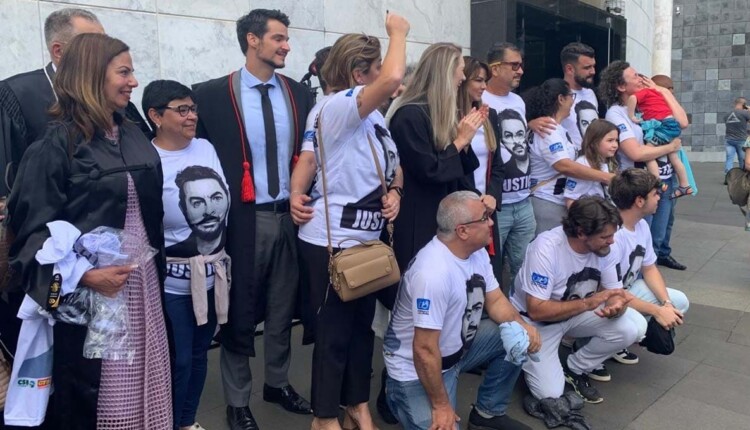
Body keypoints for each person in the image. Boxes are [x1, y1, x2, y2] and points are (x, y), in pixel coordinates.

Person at [7, 33, 171, 429]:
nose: (133, 81)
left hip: (144, 291)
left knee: (152, 394)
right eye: (124, 71)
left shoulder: (132, 132)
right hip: (93, 307)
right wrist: (83, 277)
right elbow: (27, 242)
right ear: (92, 75)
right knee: (106, 404)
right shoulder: (55, 145)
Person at [0, 6, 150, 372]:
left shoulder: (127, 124)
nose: (132, 82)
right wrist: (75, 274)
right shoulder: (21, 99)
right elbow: (24, 212)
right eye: (123, 71)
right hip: (80, 290)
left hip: (140, 283)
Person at [191, 9, 315, 430]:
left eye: (286, 38)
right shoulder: (210, 96)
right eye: (278, 38)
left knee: (283, 307)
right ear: (252, 40)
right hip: (243, 221)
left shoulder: (299, 95)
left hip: (291, 217)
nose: (286, 46)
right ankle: (237, 400)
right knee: (237, 310)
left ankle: (277, 383)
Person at [290, 14, 408, 430]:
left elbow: (392, 167)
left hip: (367, 239)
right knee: (333, 335)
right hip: (332, 241)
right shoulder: (339, 107)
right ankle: (324, 417)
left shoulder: (370, 117)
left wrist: (394, 192)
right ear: (360, 74)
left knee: (361, 332)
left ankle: (356, 404)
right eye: (374, 71)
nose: (383, 79)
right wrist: (399, 33)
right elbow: (394, 78)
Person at [384, 191, 537, 430]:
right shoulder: (432, 274)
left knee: (516, 334)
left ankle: (487, 414)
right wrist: (441, 405)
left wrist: (523, 327)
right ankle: (400, 399)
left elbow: (496, 301)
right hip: (416, 371)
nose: (491, 222)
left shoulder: (476, 253)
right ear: (462, 231)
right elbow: (424, 350)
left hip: (455, 354)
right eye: (484, 218)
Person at [143, 79, 230, 430]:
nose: (192, 116)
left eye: (193, 108)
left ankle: (187, 422)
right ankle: (167, 422)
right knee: (175, 362)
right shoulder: (148, 159)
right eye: (182, 109)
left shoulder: (205, 148)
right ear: (155, 116)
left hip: (213, 279)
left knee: (198, 356)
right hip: (171, 286)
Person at [510, 196, 636, 405]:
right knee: (549, 394)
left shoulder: (606, 248)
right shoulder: (546, 248)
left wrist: (616, 307)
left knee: (629, 329)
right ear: (581, 233)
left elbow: (615, 292)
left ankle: (575, 367)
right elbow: (536, 310)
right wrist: (589, 303)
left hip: (574, 314)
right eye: (605, 236)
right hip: (536, 323)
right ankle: (523, 361)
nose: (612, 241)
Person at [386, 43, 495, 281]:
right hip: (418, 219)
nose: (463, 77)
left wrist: (463, 143)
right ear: (445, 72)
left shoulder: (437, 111)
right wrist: (460, 140)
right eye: (461, 69)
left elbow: (458, 170)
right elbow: (430, 170)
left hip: (441, 218)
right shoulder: (410, 115)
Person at [595, 168, 689, 376]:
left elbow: (650, 269)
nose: (659, 198)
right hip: (602, 301)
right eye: (655, 194)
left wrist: (666, 304)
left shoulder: (641, 227)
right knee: (637, 327)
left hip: (624, 292)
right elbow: (610, 293)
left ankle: (616, 341)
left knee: (679, 302)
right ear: (639, 201)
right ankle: (585, 354)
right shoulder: (613, 236)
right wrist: (657, 311)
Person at [600, 62, 686, 272]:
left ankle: (649, 284)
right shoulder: (617, 113)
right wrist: (671, 146)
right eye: (635, 76)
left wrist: (663, 91)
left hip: (664, 179)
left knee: (656, 239)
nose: (641, 78)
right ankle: (635, 285)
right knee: (638, 242)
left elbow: (682, 122)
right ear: (621, 86)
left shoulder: (650, 99)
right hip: (639, 186)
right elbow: (635, 153)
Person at [523, 78, 613, 235]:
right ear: (561, 99)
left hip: (555, 201)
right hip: (547, 202)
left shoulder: (557, 128)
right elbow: (563, 165)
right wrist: (606, 177)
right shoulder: (549, 130)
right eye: (572, 96)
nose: (573, 101)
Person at [482, 42, 536, 290]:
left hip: (524, 201)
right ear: (495, 69)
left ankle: (520, 316)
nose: (521, 70)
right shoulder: (479, 99)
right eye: (514, 65)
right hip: (496, 205)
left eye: (521, 65)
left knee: (522, 266)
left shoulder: (518, 101)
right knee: (491, 268)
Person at [458, 55, 505, 278]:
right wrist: (477, 198)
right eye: (478, 80)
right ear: (462, 80)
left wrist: (493, 197)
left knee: (489, 274)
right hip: (460, 208)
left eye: (485, 80)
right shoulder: (447, 117)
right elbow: (452, 164)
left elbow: (497, 165)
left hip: (487, 208)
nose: (484, 86)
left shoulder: (489, 115)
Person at [626, 80, 692, 199]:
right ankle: (685, 185)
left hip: (663, 126)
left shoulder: (645, 91)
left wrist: (631, 115)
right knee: (674, 157)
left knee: (647, 153)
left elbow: (632, 98)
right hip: (671, 125)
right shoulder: (659, 94)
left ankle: (658, 184)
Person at [563, 119, 619, 207]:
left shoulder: (609, 162)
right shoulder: (584, 163)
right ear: (594, 142)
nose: (615, 145)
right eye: (610, 140)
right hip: (589, 216)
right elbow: (571, 198)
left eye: (616, 140)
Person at [559, 42, 600, 151]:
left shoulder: (590, 93)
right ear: (569, 69)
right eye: (587, 68)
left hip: (594, 159)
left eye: (593, 66)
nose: (593, 72)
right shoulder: (556, 95)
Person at [724, 97, 750, 176]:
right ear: (744, 104)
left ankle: (728, 177)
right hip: (741, 140)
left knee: (729, 159)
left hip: (729, 140)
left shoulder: (727, 114)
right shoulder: (744, 113)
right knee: (742, 160)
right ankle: (743, 177)